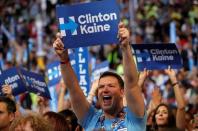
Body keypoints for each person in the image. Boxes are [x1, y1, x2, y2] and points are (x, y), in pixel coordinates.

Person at [53, 22, 146, 130]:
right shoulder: (91, 118)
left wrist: (125, 47)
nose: (104, 89)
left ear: (122, 92)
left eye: (110, 85)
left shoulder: (134, 117)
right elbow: (73, 88)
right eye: (101, 87)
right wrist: (64, 59)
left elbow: (131, 83)